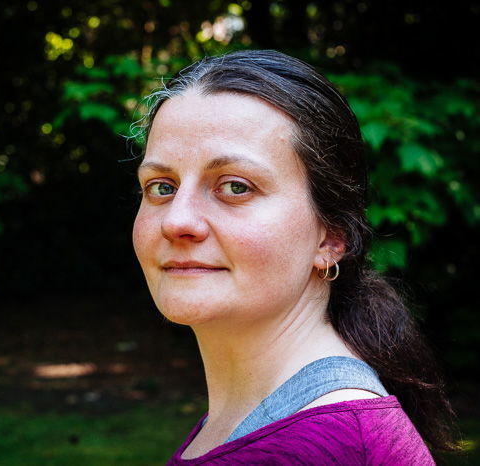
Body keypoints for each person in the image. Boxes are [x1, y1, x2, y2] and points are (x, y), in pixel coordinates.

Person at [131, 50, 458, 464]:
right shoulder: (267, 425)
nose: (177, 221)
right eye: (161, 186)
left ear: (331, 237)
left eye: (235, 187)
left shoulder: (329, 443)